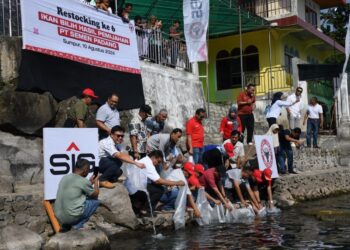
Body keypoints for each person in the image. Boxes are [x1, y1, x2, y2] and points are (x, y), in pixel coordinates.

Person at [125, 150, 185, 216]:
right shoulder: (149, 163)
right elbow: (158, 181)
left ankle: (141, 207)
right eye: (158, 161)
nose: (158, 164)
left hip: (133, 186)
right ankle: (146, 210)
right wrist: (177, 183)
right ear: (153, 157)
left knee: (155, 187)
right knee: (159, 190)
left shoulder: (145, 160)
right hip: (135, 189)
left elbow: (156, 180)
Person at [54, 159, 99, 230]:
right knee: (95, 202)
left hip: (58, 216)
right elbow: (95, 195)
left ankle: (65, 226)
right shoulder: (83, 181)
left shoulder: (65, 177)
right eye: (88, 170)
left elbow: (77, 187)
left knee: (76, 202)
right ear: (85, 170)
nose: (88, 172)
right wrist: (96, 182)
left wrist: (89, 182)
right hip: (71, 217)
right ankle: (77, 225)